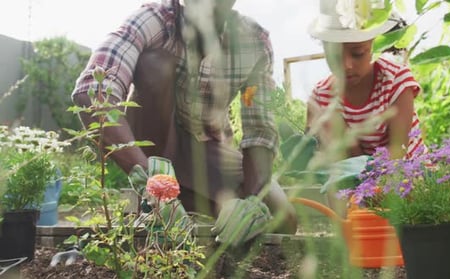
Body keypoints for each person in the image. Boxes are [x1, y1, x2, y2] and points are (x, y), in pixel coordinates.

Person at [71, 0, 297, 246]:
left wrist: (252, 201)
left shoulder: (253, 42)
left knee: (281, 216)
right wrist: (152, 185)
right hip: (153, 145)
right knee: (154, 66)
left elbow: (259, 131)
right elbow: (92, 93)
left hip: (208, 148)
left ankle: (189, 203)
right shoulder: (153, 20)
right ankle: (156, 200)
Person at [305, 0, 426, 161]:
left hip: (407, 175)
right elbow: (312, 150)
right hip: (354, 178)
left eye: (358, 53)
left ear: (377, 45)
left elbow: (398, 150)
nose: (346, 65)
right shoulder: (321, 97)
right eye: (335, 54)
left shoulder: (396, 81)